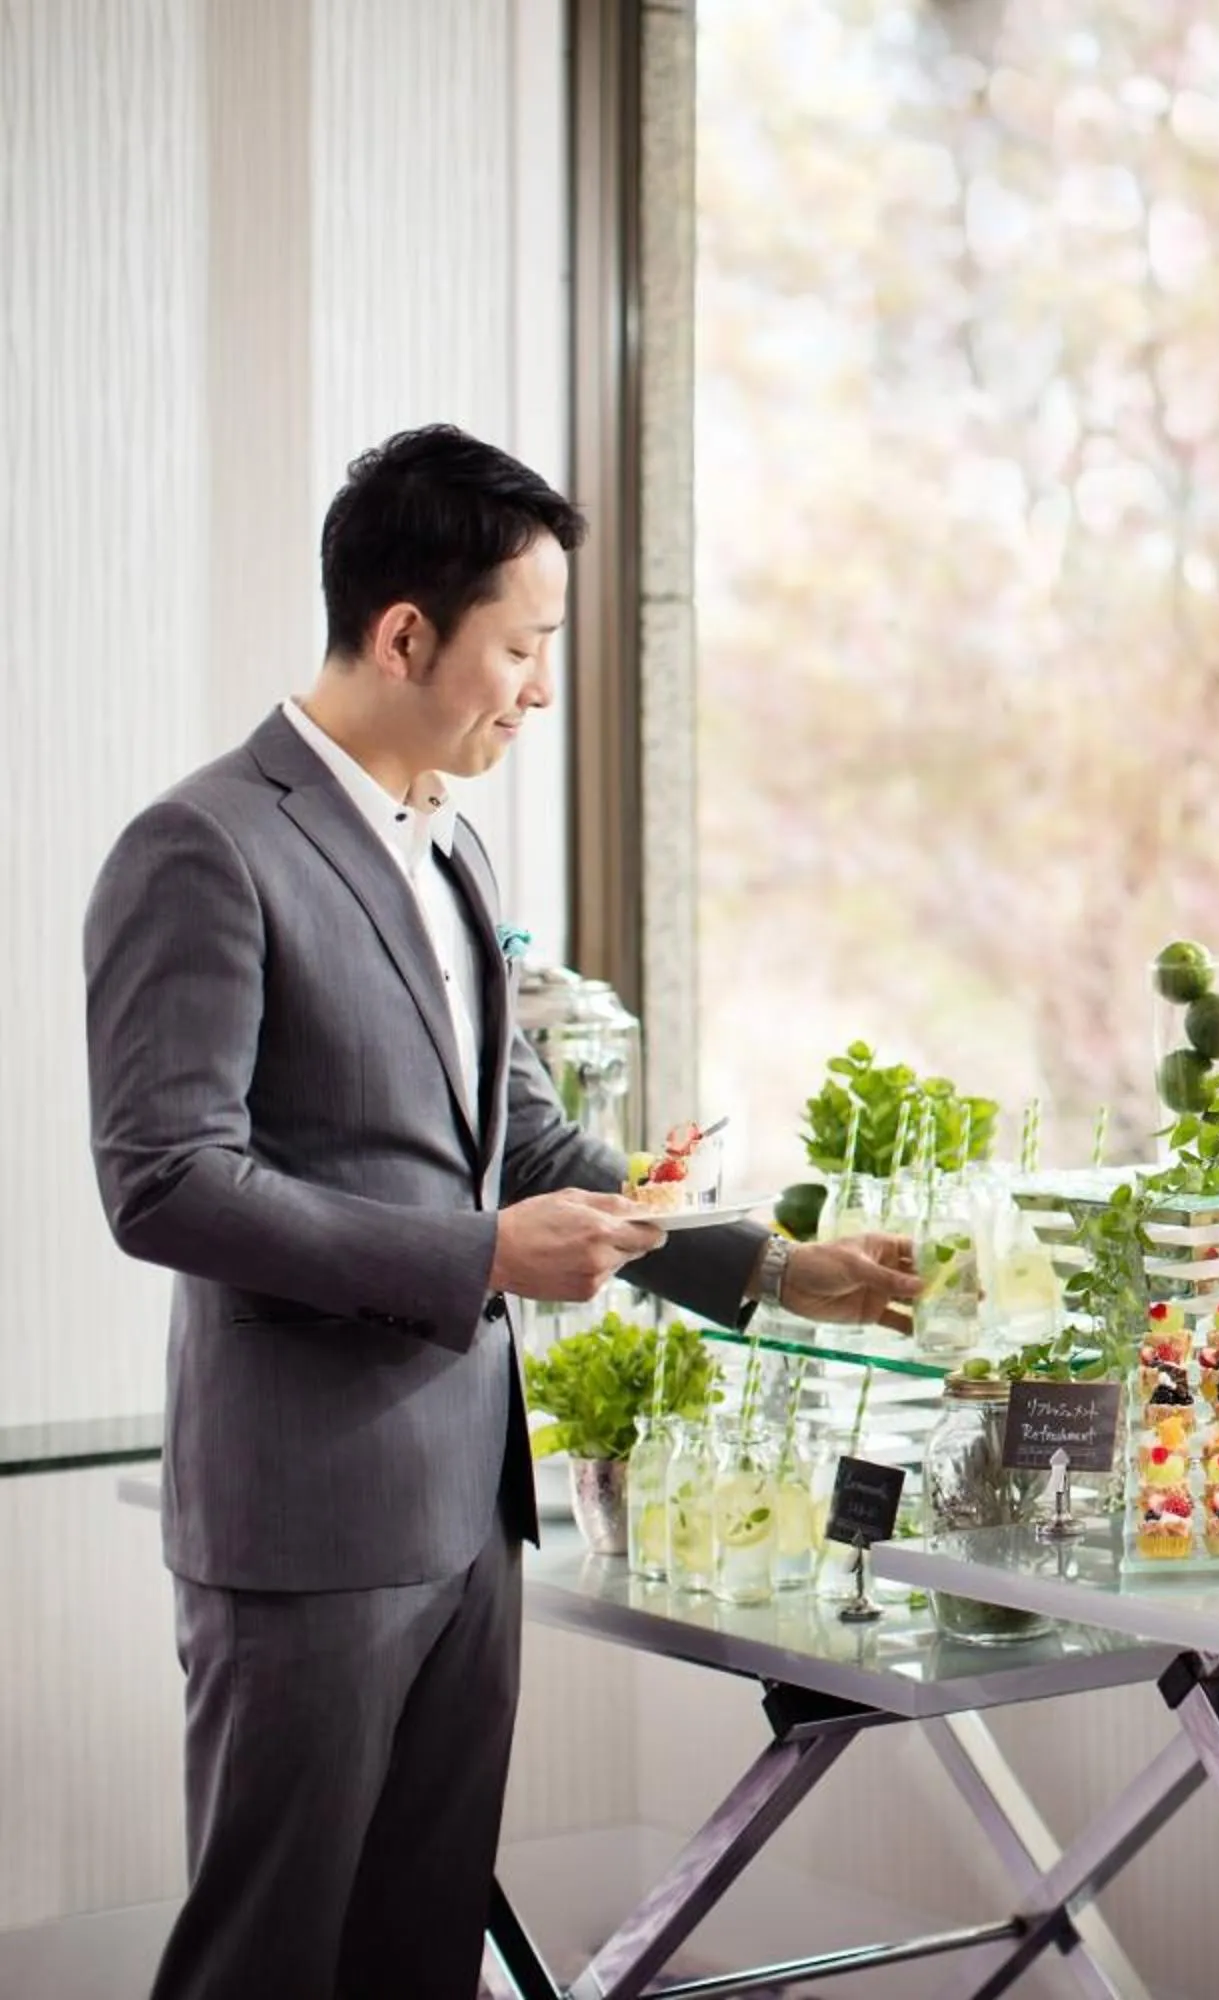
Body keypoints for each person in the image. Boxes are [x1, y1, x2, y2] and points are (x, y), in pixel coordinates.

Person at [82, 425, 923, 2000]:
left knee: (419, 1956)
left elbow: (526, 1147)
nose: (541, 691)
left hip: (469, 1513)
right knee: (266, 1959)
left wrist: (775, 1268)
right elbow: (164, 1180)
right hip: (305, 1523)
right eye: (523, 648)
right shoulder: (201, 846)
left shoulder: (451, 852)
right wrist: (473, 1258)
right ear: (407, 633)